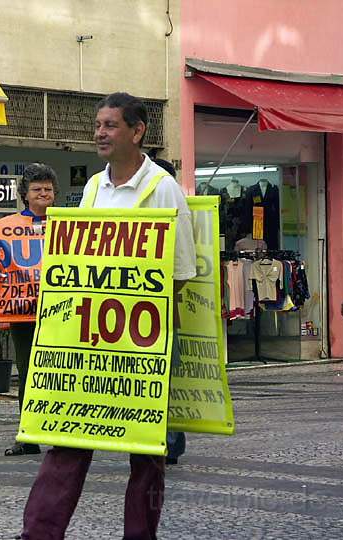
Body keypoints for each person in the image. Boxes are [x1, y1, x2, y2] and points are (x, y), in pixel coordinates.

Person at [21, 93, 197, 540]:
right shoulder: (95, 188)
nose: (99, 132)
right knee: (69, 438)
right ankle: (39, 533)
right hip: (89, 339)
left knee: (146, 451)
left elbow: (178, 272)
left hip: (144, 342)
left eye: (110, 125)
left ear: (136, 132)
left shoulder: (164, 189)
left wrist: (134, 304)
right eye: (97, 124)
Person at [0, 163, 58, 456]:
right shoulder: (6, 227)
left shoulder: (68, 222)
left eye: (48, 189)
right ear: (25, 195)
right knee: (27, 373)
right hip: (22, 311)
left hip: (61, 311)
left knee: (60, 372)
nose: (44, 194)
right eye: (37, 190)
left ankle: (60, 432)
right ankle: (28, 435)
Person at [152, 158, 187, 466]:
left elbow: (183, 271)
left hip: (166, 317)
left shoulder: (176, 209)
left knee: (167, 381)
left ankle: (171, 442)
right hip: (147, 318)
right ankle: (167, 442)